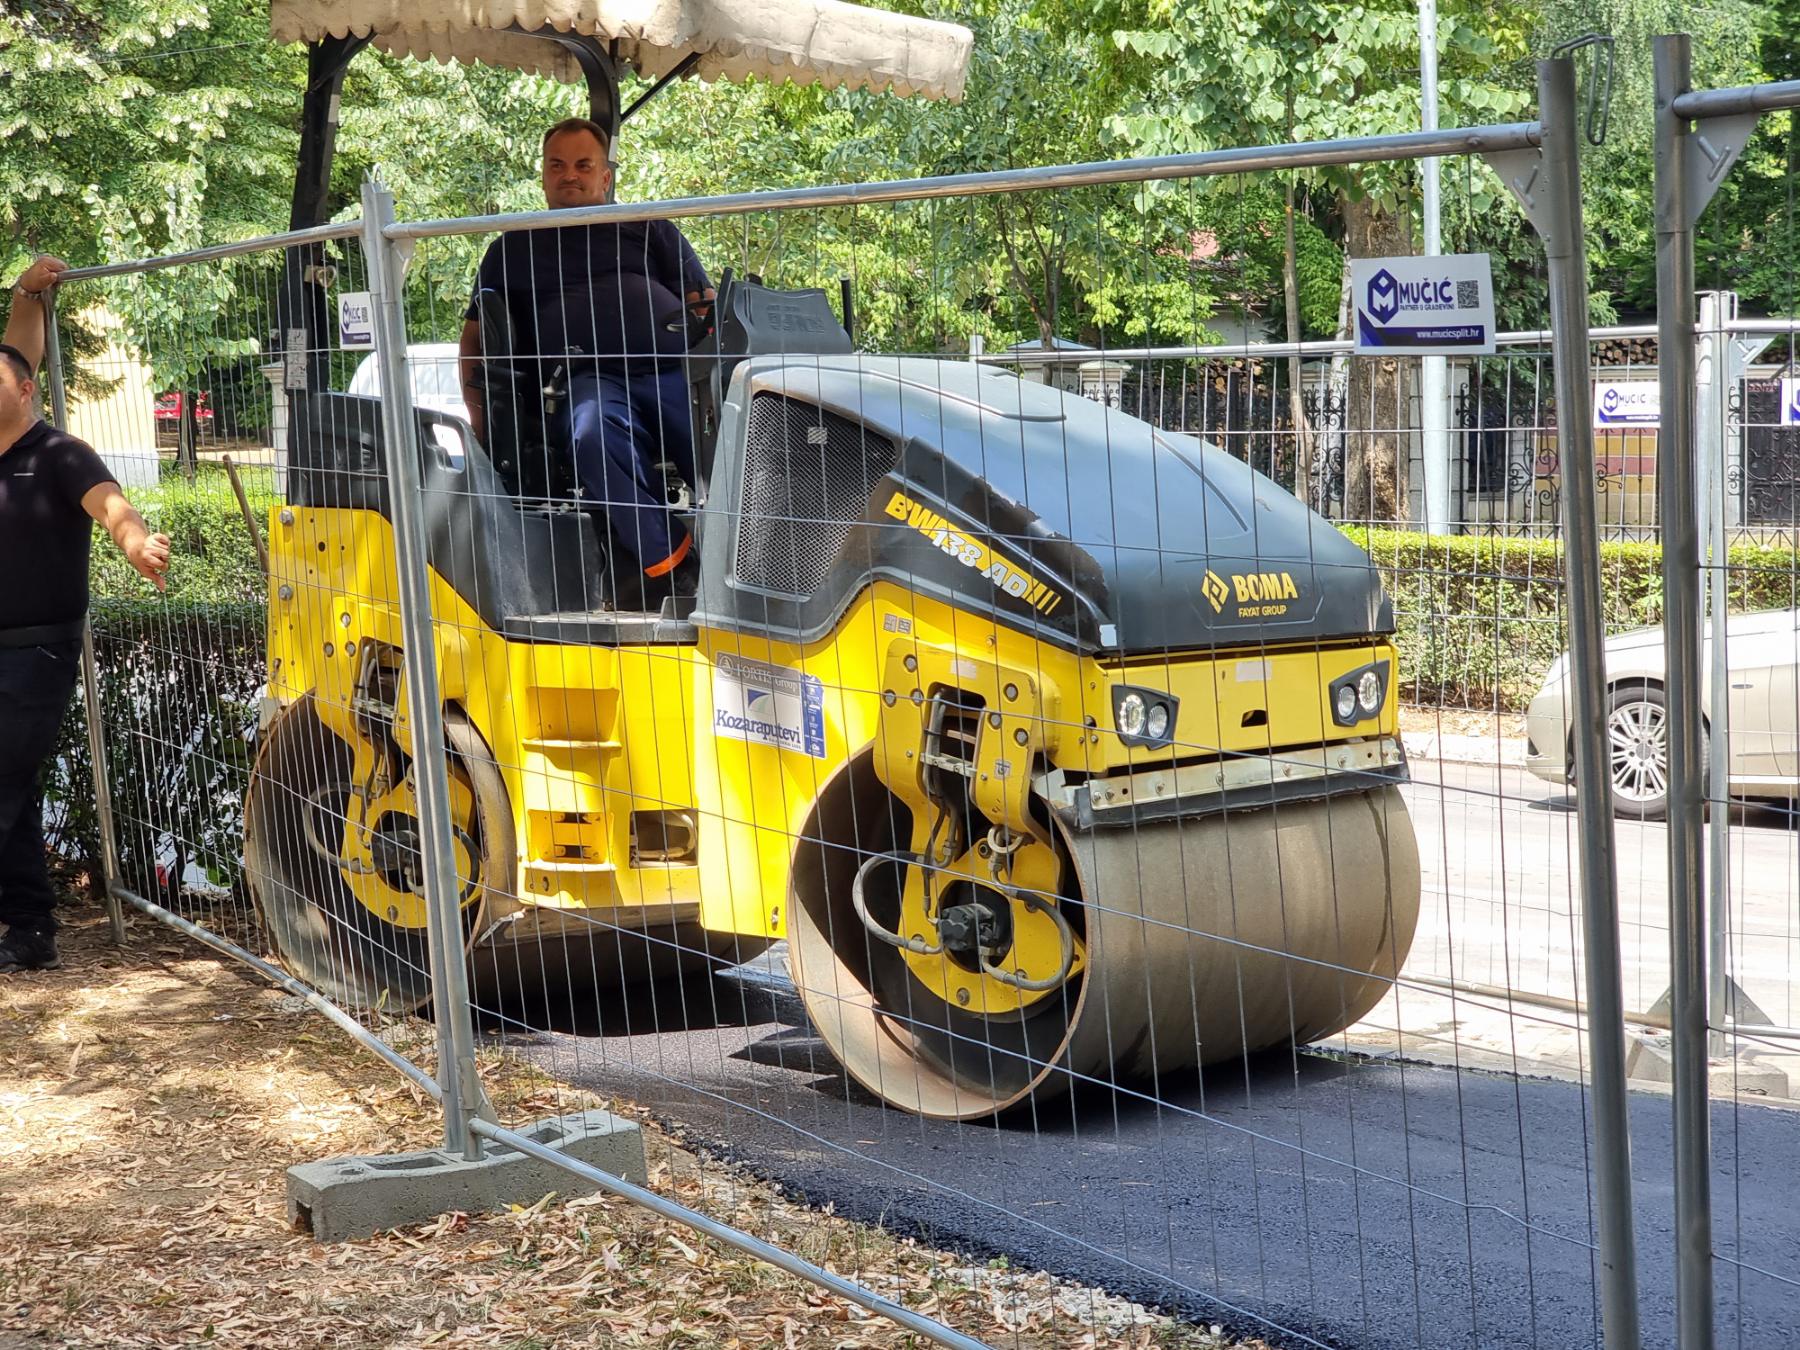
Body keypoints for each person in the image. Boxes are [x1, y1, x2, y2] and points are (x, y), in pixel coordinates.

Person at [458, 117, 715, 602]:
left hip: (672, 369)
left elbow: (704, 299)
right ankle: (674, 563)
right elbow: (474, 338)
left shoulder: (646, 225)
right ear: (543, 174)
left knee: (725, 432)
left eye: (582, 164)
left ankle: (754, 556)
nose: (569, 174)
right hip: (586, 381)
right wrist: (479, 422)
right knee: (591, 431)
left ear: (605, 177)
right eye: (557, 165)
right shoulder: (513, 245)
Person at [0, 256, 172, 973]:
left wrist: (136, 543)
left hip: (38, 653)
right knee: (12, 784)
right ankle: (31, 930)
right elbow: (20, 333)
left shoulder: (60, 453)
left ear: (26, 388)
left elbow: (110, 504)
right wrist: (24, 293)